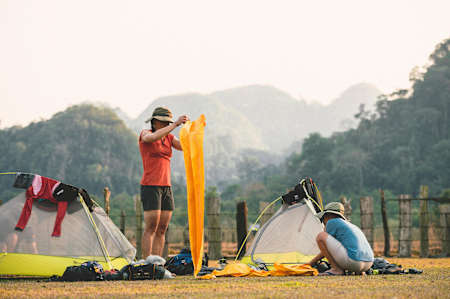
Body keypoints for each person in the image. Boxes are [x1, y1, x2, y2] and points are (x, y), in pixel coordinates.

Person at [139, 107, 189, 258]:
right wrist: (174, 125)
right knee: (151, 227)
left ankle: (157, 262)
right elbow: (151, 139)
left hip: (166, 186)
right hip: (150, 185)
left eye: (169, 122)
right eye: (164, 122)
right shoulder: (145, 134)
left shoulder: (169, 138)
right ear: (155, 122)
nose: (167, 124)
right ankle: (145, 262)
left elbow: (185, 146)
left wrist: (192, 131)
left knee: (162, 228)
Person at [308, 202, 374, 275]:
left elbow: (325, 249)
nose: (323, 222)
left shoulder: (332, 222)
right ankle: (360, 272)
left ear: (327, 215)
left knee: (321, 236)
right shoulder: (350, 225)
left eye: (322, 218)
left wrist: (309, 263)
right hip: (369, 263)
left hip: (354, 262)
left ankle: (336, 269)